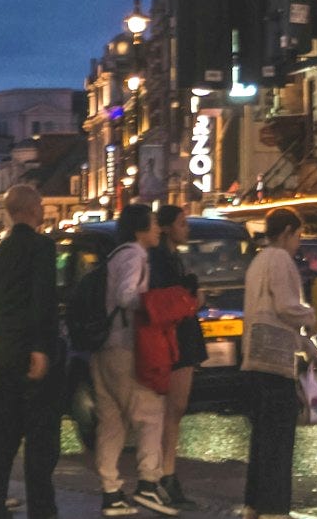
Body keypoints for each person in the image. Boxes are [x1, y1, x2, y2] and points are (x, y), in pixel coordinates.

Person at [90, 203, 178, 517]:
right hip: (126, 348)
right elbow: (127, 296)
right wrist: (157, 302)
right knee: (151, 413)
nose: (158, 229)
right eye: (154, 223)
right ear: (141, 228)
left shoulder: (115, 255)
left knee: (112, 421)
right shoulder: (135, 255)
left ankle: (111, 491)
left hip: (102, 349)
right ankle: (148, 485)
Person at [0, 185, 62, 519]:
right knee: (41, 440)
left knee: (7, 434)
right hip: (33, 351)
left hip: (7, 352)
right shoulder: (41, 247)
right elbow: (42, 298)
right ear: (32, 209)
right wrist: (41, 347)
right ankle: (42, 508)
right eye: (41, 204)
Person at [240, 207, 317, 519]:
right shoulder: (281, 259)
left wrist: (302, 343)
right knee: (279, 438)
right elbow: (286, 308)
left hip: (253, 359)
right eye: (297, 235)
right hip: (275, 365)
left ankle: (254, 502)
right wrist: (311, 317)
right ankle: (274, 507)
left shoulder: (258, 261)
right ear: (286, 232)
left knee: (261, 438)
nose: (298, 242)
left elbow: (266, 313)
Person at [148, 205, 206, 510]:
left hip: (177, 338)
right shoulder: (163, 262)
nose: (188, 229)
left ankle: (164, 473)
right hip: (176, 340)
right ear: (168, 227)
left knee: (172, 410)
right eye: (183, 224)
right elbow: (172, 304)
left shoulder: (169, 259)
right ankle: (165, 475)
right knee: (174, 409)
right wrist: (193, 299)